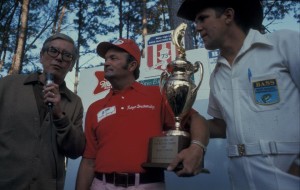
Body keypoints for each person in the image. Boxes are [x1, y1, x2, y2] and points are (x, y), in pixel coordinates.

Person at [177, 0, 300, 189]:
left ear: (228, 15)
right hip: (241, 181)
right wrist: (185, 123)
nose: (198, 28)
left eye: (202, 18)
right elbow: (222, 125)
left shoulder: (283, 44)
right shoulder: (217, 74)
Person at [76, 38, 209, 190]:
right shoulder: (95, 108)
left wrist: (197, 148)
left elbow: (197, 120)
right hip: (101, 184)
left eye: (113, 58)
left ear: (132, 65)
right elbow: (88, 162)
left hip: (147, 185)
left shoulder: (158, 95)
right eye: (106, 59)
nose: (106, 63)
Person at [0, 33, 86, 190]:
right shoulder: (7, 85)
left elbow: (76, 151)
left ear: (72, 65)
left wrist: (60, 116)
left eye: (67, 56)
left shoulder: (75, 102)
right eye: (53, 51)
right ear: (41, 56)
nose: (59, 58)